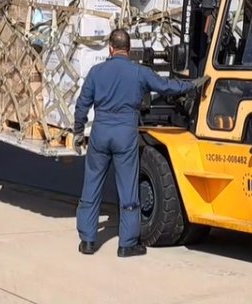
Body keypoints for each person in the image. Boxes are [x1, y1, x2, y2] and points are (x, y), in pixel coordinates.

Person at [72, 29, 208, 257]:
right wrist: (192, 85)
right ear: (128, 48)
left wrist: (78, 131)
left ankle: (87, 241)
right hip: (125, 133)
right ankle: (127, 244)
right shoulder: (139, 72)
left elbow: (82, 104)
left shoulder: (96, 72)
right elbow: (166, 87)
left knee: (92, 184)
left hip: (101, 132)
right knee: (128, 187)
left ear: (110, 48)